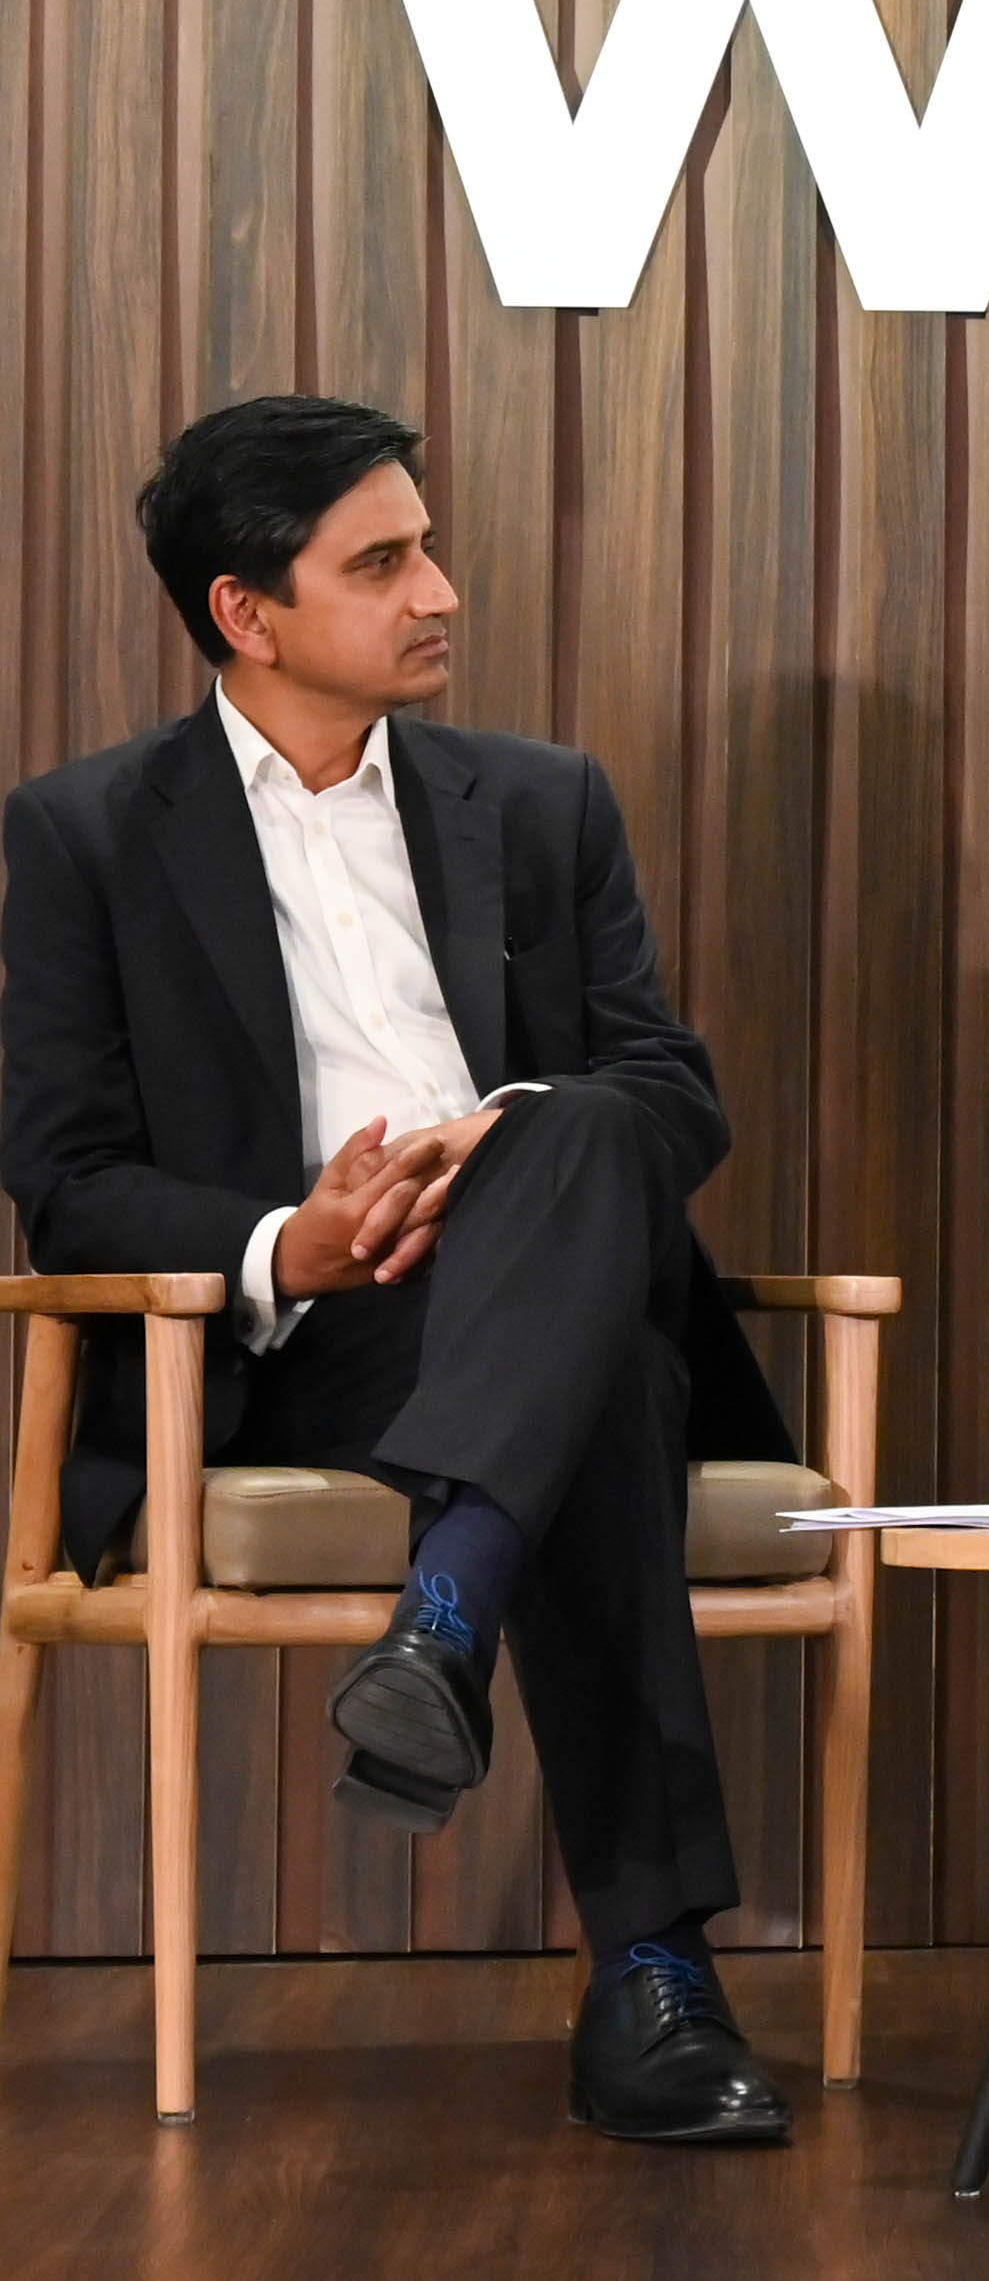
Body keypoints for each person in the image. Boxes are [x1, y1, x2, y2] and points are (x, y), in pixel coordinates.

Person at [0, 398, 793, 2143]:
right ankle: (652, 1979)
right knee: (617, 1381)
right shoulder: (84, 837)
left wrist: (483, 1140)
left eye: (428, 544)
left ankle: (445, 1624)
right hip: (307, 1340)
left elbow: (674, 1090)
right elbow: (63, 1184)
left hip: (533, 1266)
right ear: (247, 613)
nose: (439, 586)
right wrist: (300, 1236)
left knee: (576, 1128)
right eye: (383, 562)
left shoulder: (538, 803)